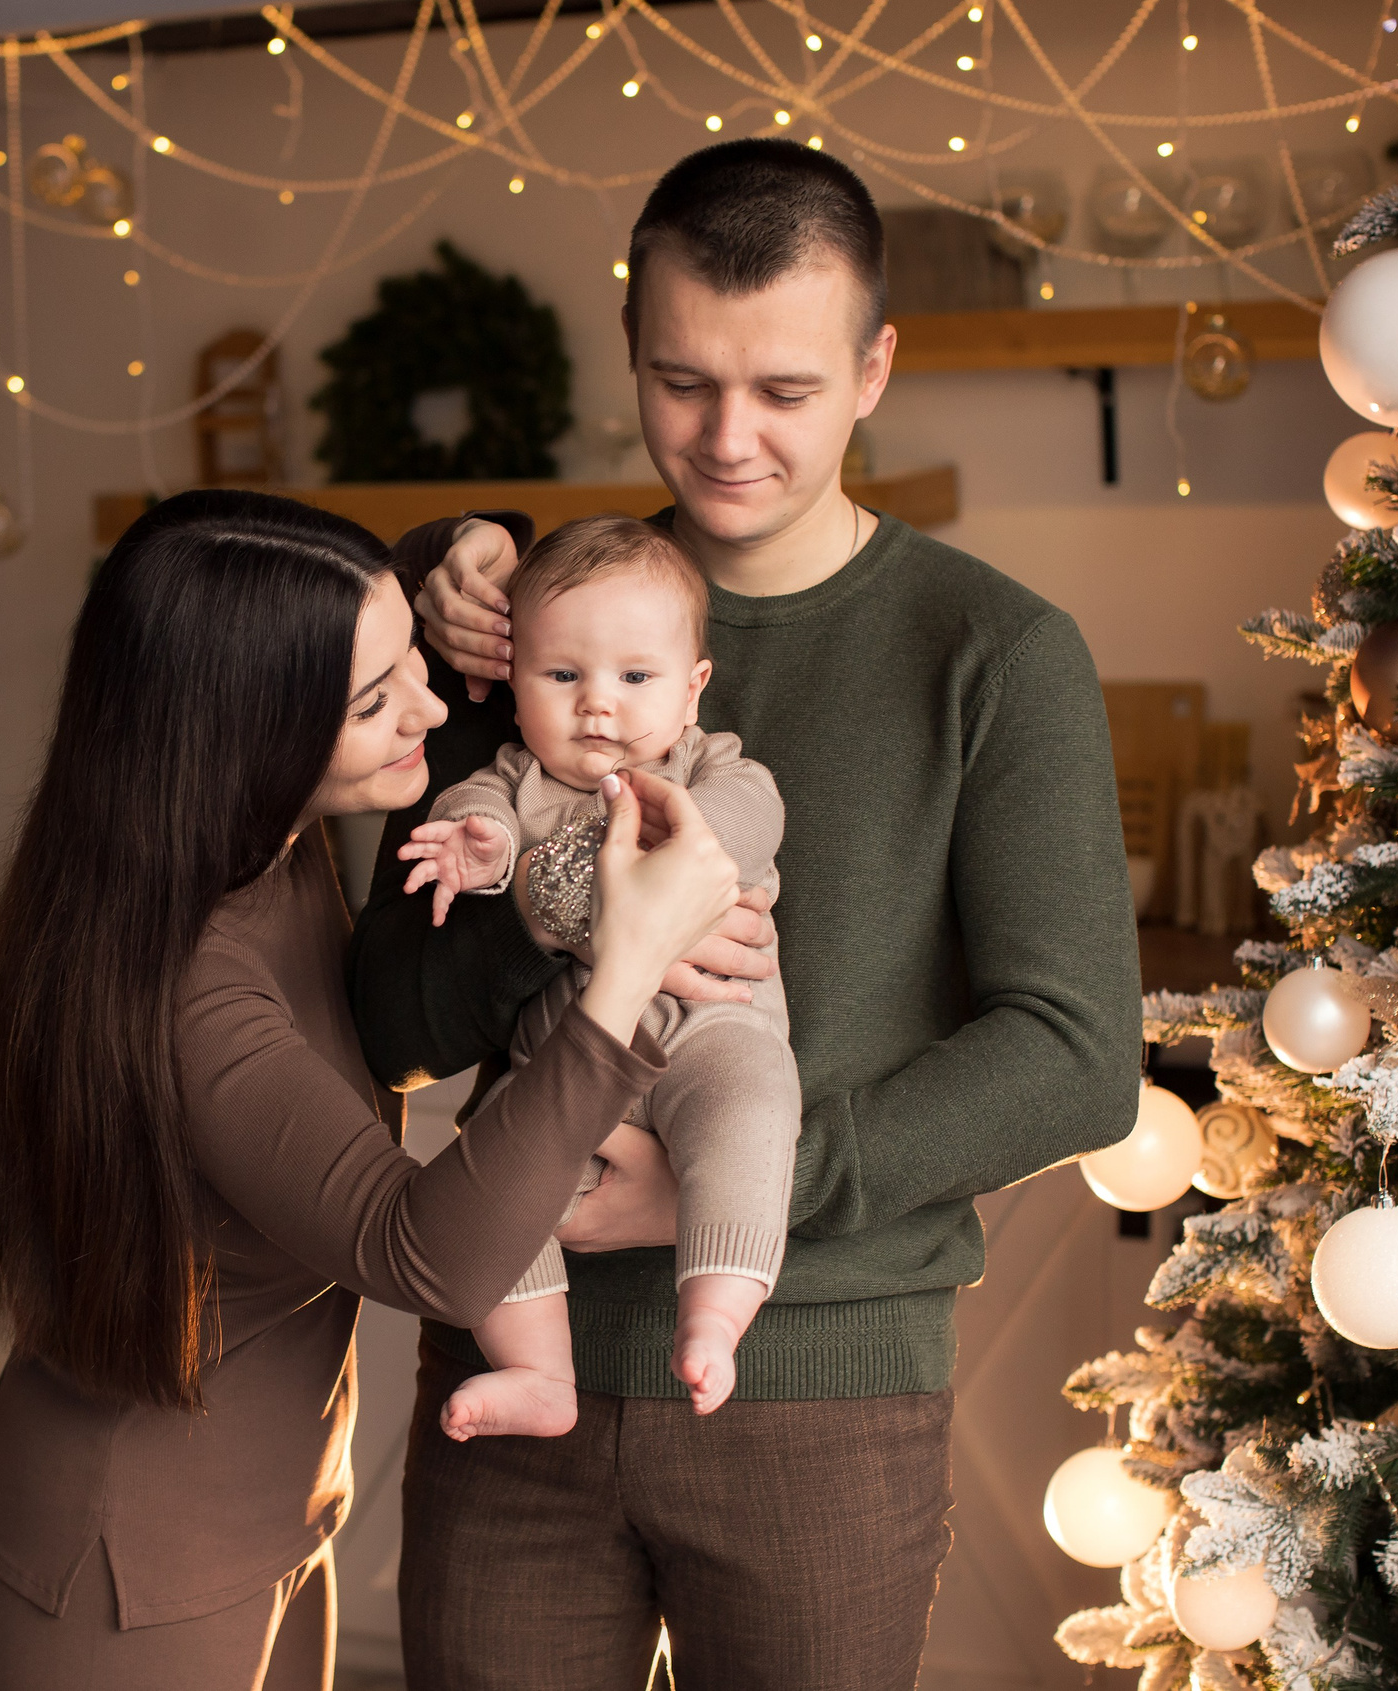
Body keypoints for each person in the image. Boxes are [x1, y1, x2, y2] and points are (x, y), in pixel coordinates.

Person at [352, 141, 1143, 1689]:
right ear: (632, 348)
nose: (726, 438)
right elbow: (387, 1017)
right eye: (681, 380)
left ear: (874, 367)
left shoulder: (995, 652)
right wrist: (567, 910)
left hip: (820, 1390)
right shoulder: (527, 630)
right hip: (513, 1365)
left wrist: (726, 1193)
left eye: (783, 389)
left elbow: (1073, 1056)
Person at [0, 490, 744, 1691]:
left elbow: (328, 611)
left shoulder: (253, 838)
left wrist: (456, 561)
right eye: (378, 701)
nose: (431, 706)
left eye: (415, 664)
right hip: (127, 1567)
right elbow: (420, 1252)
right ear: (247, 735)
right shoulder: (190, 978)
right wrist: (625, 963)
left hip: (273, 1514)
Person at [397, 515, 799, 1435]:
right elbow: (478, 814)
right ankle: (540, 1372)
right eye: (564, 675)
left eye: (635, 677)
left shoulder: (708, 769)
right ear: (515, 685)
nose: (597, 706)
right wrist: (479, 845)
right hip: (563, 1064)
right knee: (492, 1176)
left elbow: (753, 815)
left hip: (710, 1032)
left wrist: (682, 848)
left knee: (753, 1106)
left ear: (694, 688)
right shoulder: (514, 776)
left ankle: (716, 1312)